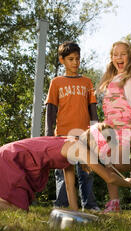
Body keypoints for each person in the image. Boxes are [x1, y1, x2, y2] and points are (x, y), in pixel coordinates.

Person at [0, 124, 131, 212]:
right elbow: (110, 178)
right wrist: (130, 183)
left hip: (14, 155)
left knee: (13, 204)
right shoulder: (80, 149)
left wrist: (76, 215)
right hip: (13, 158)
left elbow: (70, 187)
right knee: (16, 207)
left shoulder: (73, 145)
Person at [45, 41, 100, 212]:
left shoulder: (87, 82)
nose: (75, 62)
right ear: (62, 60)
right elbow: (51, 108)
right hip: (62, 135)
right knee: (63, 172)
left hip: (85, 134)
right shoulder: (56, 82)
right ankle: (61, 204)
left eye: (77, 59)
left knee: (86, 172)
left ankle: (89, 205)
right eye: (70, 59)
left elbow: (92, 108)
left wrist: (96, 130)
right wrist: (48, 133)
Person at [96, 40, 131, 213]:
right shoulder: (110, 79)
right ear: (111, 59)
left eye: (122, 54)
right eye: (115, 54)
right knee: (107, 165)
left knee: (117, 163)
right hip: (110, 128)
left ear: (130, 56)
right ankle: (114, 202)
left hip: (127, 126)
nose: (119, 57)